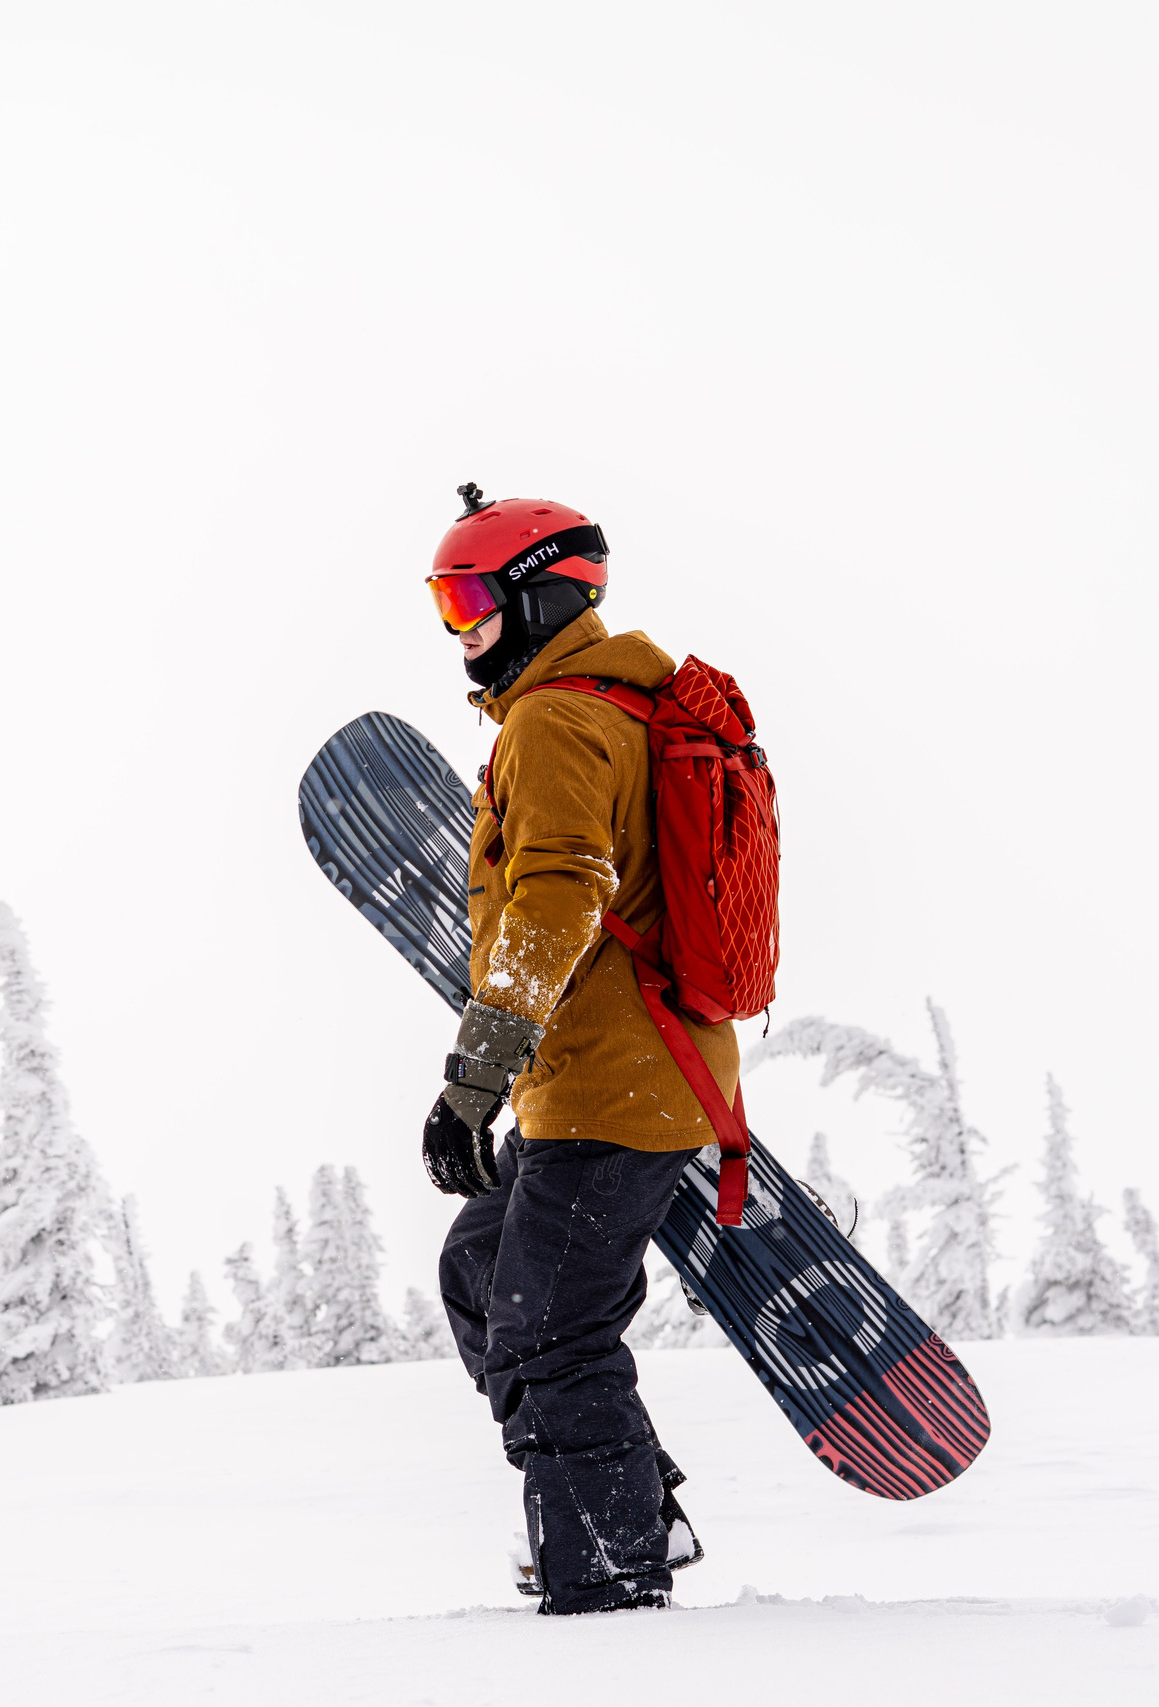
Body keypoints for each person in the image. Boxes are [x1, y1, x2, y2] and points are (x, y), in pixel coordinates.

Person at [423, 483, 742, 1615]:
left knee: (550, 1333)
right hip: (608, 1084)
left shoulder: (557, 719)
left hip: (615, 1086)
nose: (458, 631)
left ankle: (608, 1582)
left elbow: (556, 901)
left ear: (541, 593)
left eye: (470, 600)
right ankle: (627, 1503)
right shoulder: (600, 706)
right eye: (442, 605)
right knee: (479, 1271)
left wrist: (473, 1080)